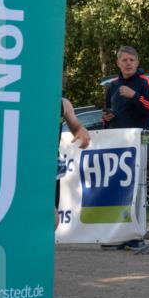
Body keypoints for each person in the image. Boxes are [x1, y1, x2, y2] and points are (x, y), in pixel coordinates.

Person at [101, 46, 149, 130]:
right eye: (124, 60)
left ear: (137, 63)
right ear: (118, 63)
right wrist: (105, 118)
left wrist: (135, 96)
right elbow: (107, 112)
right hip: (115, 138)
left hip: (137, 139)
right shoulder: (112, 85)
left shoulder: (146, 81)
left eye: (132, 60)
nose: (128, 63)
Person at [57, 97, 91, 229]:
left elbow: (76, 126)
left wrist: (81, 131)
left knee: (51, 217)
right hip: (22, 163)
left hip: (49, 165)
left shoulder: (63, 103)